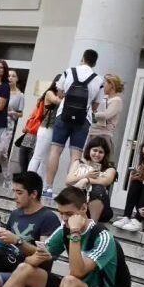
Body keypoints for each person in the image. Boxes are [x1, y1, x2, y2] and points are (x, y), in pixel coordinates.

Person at [0, 186, 121, 287]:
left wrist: (75, 232)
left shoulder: (103, 237)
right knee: (24, 268)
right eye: (61, 213)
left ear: (84, 208)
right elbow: (32, 257)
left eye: (69, 213)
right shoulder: (64, 229)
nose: (65, 219)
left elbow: (77, 272)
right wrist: (35, 258)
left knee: (69, 282)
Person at [44, 49, 104, 199]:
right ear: (95, 62)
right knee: (75, 156)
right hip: (84, 119)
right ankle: (70, 190)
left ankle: (48, 188)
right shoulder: (98, 80)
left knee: (55, 151)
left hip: (63, 115)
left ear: (82, 58)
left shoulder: (68, 72)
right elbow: (96, 106)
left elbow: (60, 94)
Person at [64, 135, 117, 222]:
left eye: (101, 152)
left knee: (97, 187)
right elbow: (68, 181)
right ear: (89, 150)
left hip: (100, 208)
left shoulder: (109, 169)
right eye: (95, 150)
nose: (97, 154)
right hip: (78, 203)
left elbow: (106, 181)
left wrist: (87, 180)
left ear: (105, 154)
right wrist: (85, 176)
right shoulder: (78, 162)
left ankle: (92, 225)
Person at [27, 79, 61, 178]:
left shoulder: (60, 95)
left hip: (55, 129)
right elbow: (56, 101)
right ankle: (28, 179)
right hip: (46, 128)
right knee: (37, 156)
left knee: (45, 159)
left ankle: (39, 182)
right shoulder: (50, 93)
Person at [87, 74, 123, 142]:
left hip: (103, 135)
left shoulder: (117, 100)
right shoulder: (104, 97)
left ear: (111, 85)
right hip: (93, 132)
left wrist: (90, 114)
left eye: (104, 83)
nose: (103, 86)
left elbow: (106, 115)